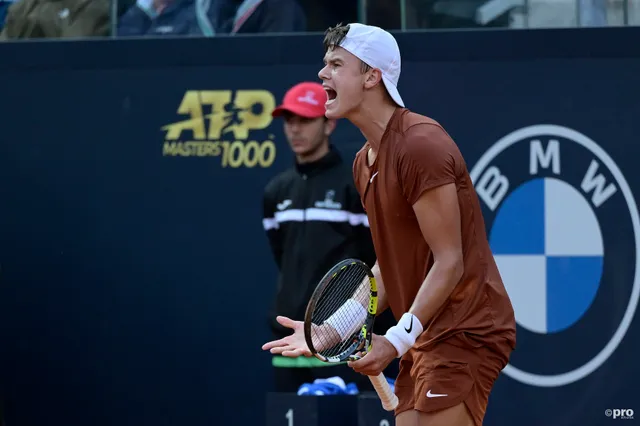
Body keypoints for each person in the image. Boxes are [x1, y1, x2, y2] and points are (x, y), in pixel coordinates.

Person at [262, 23, 516, 426]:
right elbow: (386, 268)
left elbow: (449, 261)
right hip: (427, 335)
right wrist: (333, 329)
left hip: (467, 329)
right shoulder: (364, 163)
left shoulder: (421, 144)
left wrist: (396, 340)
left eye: (335, 64)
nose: (322, 74)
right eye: (324, 64)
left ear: (371, 76)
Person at [262, 81, 396, 394]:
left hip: (345, 340)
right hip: (290, 341)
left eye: (305, 120)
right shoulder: (275, 192)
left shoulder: (355, 183)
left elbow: (379, 258)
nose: (295, 129)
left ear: (329, 124)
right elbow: (281, 255)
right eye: (289, 121)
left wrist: (348, 319)